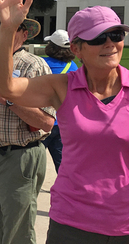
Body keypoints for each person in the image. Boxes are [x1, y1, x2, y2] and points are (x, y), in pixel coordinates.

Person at [0, 0, 129, 243]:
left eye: (116, 34)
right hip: (73, 224)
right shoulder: (61, 86)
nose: (110, 43)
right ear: (76, 48)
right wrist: (9, 30)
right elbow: (4, 88)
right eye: (98, 38)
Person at [0, 0, 56, 244]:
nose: (0, 30)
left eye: (8, 25)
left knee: (18, 232)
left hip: (21, 156)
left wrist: (6, 99)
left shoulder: (34, 65)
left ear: (22, 31)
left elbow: (47, 123)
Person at [41, 30, 78, 173]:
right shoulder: (73, 67)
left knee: (33, 160)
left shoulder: (41, 62)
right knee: (62, 162)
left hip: (42, 119)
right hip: (62, 121)